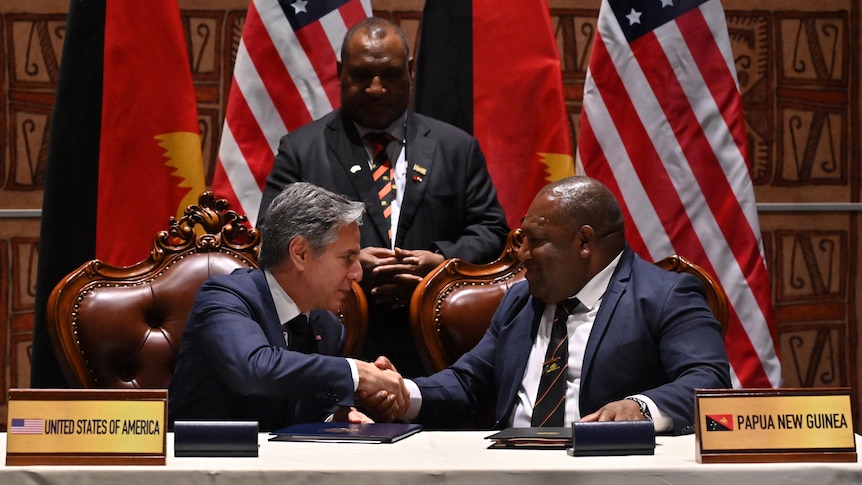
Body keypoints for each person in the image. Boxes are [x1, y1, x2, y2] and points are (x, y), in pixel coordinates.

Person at [361, 176, 731, 435]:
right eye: (520, 239)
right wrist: (403, 394)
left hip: (610, 473)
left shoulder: (666, 295)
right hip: (508, 471)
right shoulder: (522, 299)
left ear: (584, 243)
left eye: (534, 240)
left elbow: (709, 382)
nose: (520, 255)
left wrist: (641, 408)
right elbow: (469, 381)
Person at [257, 17, 509, 378]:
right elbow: (271, 238)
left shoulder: (456, 148)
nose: (375, 88)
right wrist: (346, 262)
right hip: (332, 341)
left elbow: (491, 230)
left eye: (389, 75)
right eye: (361, 75)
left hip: (439, 344)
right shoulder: (301, 150)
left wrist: (438, 261)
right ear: (340, 72)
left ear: (410, 72)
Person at [169, 182, 408, 431]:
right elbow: (254, 369)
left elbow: (311, 407)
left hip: (282, 466)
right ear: (300, 253)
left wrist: (339, 418)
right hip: (204, 462)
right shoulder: (226, 298)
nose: (358, 273)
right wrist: (357, 372)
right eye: (347, 258)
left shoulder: (328, 327)